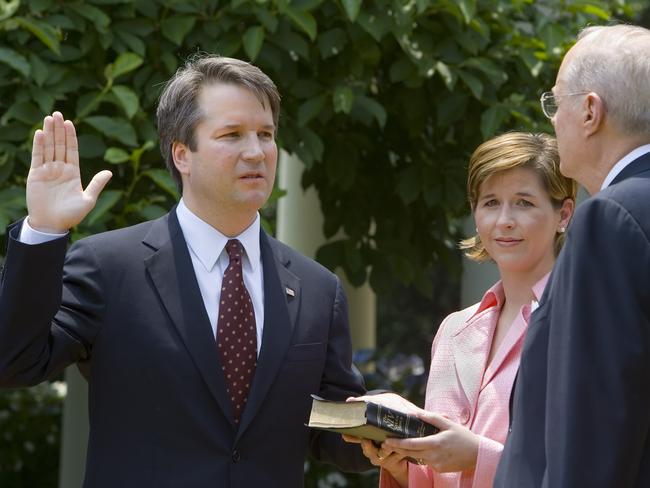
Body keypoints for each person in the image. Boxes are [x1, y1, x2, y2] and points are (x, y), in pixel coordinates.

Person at [0, 56, 371, 487]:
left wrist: (389, 428)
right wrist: (43, 232)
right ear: (182, 154)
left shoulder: (318, 288)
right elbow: (14, 364)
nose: (257, 151)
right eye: (232, 135)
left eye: (265, 134)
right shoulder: (109, 266)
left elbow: (332, 430)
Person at [346, 132, 575, 488]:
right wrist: (401, 463)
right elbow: (436, 474)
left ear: (564, 214)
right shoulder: (454, 330)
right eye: (490, 202)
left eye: (524, 203)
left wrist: (478, 457)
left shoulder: (578, 325)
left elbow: (588, 463)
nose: (504, 220)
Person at [494, 24, 650, 488]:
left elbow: (592, 427)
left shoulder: (610, 219)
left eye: (555, 102)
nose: (552, 119)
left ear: (589, 112)